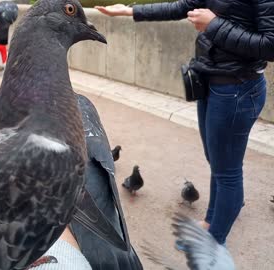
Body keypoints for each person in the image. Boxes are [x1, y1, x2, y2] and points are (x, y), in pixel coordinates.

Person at [96, 1, 274, 247]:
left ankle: (213, 240)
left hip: (237, 89)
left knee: (227, 172)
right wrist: (130, 11)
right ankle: (212, 221)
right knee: (218, 162)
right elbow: (185, 6)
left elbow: (270, 46)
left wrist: (214, 25)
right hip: (211, 82)